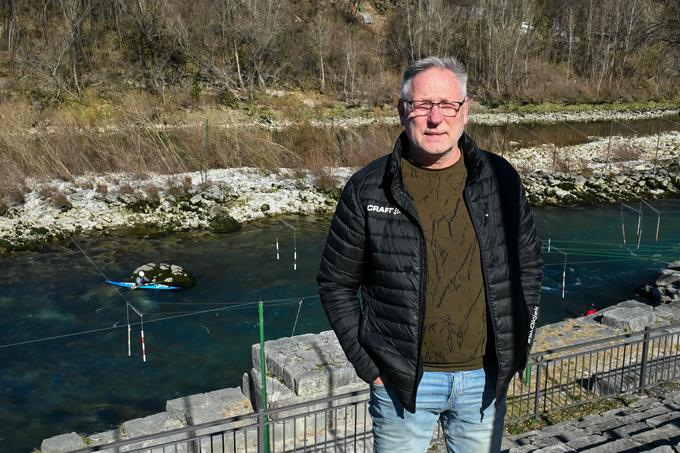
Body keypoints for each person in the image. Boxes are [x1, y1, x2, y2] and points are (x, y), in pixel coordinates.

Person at [317, 56, 544, 452]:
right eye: (422, 105)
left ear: (465, 110)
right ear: (403, 110)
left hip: (484, 381)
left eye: (448, 105)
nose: (435, 118)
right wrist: (371, 367)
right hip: (402, 384)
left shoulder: (502, 179)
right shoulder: (368, 189)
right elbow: (335, 283)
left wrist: (519, 344)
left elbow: (528, 268)